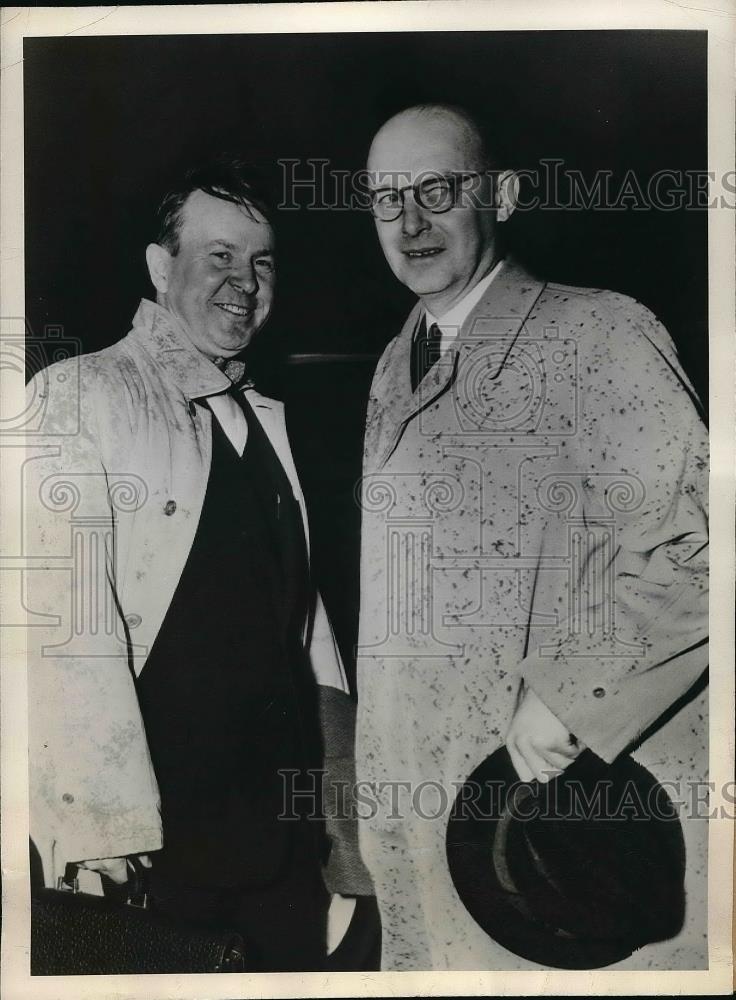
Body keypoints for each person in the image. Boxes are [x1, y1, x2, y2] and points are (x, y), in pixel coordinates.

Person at [356, 104, 709, 971]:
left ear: (503, 195)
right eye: (384, 198)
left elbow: (702, 551)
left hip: (557, 839)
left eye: (437, 189)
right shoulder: (394, 365)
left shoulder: (598, 332)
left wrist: (570, 696)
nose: (409, 222)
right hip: (429, 831)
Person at [26, 158, 371, 971]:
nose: (243, 281)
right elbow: (59, 632)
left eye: (262, 261)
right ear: (159, 268)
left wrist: (347, 833)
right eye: (219, 255)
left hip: (284, 853)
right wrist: (100, 835)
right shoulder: (78, 396)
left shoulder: (269, 420)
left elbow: (308, 642)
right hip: (156, 855)